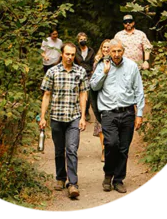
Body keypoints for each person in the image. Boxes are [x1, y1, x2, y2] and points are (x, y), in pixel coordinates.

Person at [90, 38, 145, 193]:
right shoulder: (102, 66)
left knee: (123, 149)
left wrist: (139, 114)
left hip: (128, 112)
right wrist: (105, 73)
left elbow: (139, 91)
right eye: (113, 51)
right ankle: (108, 174)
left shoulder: (132, 66)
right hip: (108, 112)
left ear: (123, 51)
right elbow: (93, 86)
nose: (116, 54)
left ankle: (118, 180)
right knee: (111, 144)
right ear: (109, 51)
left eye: (119, 51)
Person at [39, 42, 89, 199]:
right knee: (59, 150)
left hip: (73, 117)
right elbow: (46, 94)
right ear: (62, 54)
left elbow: (83, 95)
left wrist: (82, 117)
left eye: (73, 54)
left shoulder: (80, 71)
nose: (70, 57)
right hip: (56, 117)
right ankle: (60, 178)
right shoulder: (52, 72)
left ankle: (73, 183)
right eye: (67, 54)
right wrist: (42, 117)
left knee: (72, 149)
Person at [90, 39, 112, 162]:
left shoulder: (115, 61)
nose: (105, 49)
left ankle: (110, 149)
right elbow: (94, 80)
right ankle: (104, 149)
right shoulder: (97, 62)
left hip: (111, 97)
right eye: (104, 47)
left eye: (108, 47)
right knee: (101, 125)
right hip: (100, 96)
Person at [74, 32, 95, 122]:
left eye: (84, 39)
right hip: (77, 74)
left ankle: (86, 112)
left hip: (88, 73)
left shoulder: (91, 51)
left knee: (88, 95)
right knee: (77, 93)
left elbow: (93, 62)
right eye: (81, 39)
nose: (83, 41)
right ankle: (77, 111)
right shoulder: (75, 50)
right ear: (78, 41)